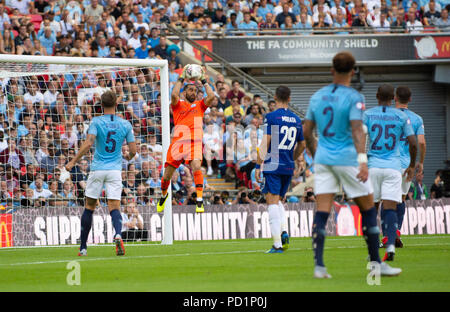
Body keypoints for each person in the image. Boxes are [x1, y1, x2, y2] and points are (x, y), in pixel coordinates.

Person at [303, 52, 402, 278]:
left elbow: (307, 131)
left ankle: (319, 266)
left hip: (324, 159)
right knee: (368, 208)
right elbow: (357, 129)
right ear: (353, 71)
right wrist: (362, 161)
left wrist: (317, 153)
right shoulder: (354, 97)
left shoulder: (317, 96)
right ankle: (377, 265)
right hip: (347, 159)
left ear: (331, 70)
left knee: (322, 210)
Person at [65, 91, 136, 257]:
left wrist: (73, 161)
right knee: (115, 207)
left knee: (89, 207)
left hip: (97, 168)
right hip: (115, 170)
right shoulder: (125, 124)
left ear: (101, 105)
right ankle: (118, 233)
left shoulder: (96, 121)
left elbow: (89, 143)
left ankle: (83, 248)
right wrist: (128, 156)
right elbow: (133, 150)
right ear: (116, 105)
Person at [363, 84, 417, 262]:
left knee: (373, 206)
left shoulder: (368, 115)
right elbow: (414, 143)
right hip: (393, 167)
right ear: (393, 98)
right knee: (391, 206)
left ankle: (373, 245)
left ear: (377, 95)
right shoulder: (401, 116)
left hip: (373, 166)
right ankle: (391, 244)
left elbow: (359, 139)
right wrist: (411, 165)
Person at [156, 65, 215, 214]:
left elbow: (212, 97)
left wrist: (203, 80)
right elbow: (174, 95)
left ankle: (200, 200)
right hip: (178, 143)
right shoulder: (178, 104)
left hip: (194, 142)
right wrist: (181, 78)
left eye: (195, 90)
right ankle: (163, 196)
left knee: (196, 166)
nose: (193, 92)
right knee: (167, 176)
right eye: (190, 90)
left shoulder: (200, 106)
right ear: (184, 92)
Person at [255, 85, 306, 253]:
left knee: (271, 203)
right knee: (278, 201)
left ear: (275, 97)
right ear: (290, 99)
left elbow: (265, 142)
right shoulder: (296, 119)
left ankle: (277, 244)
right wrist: (293, 158)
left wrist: (257, 164)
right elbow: (302, 144)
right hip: (287, 166)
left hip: (273, 164)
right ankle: (283, 231)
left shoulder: (271, 117)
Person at [389, 85, 426, 248]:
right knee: (401, 199)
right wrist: (421, 162)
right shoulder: (417, 119)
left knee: (387, 200)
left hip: (388, 162)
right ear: (410, 99)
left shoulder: (387, 116)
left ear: (395, 98)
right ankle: (396, 232)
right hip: (406, 165)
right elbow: (421, 142)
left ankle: (387, 235)